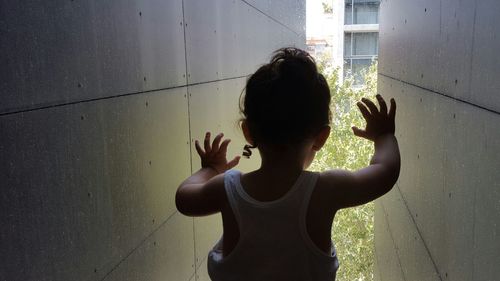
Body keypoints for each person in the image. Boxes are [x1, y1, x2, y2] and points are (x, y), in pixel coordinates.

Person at [175, 47, 400, 281]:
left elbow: (184, 197)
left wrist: (211, 169)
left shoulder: (227, 188)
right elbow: (386, 172)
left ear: (248, 132)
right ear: (321, 137)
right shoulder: (326, 191)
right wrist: (383, 136)